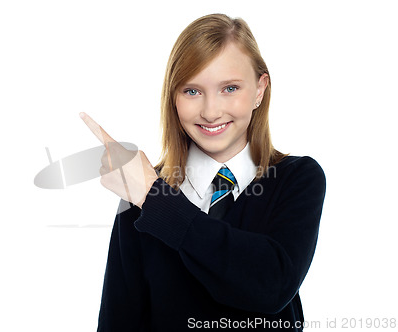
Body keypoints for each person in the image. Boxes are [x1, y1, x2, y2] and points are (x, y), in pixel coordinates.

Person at [80, 13, 326, 331]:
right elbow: (120, 319)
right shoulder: (140, 191)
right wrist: (150, 195)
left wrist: (156, 200)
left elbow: (270, 286)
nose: (210, 112)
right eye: (192, 91)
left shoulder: (296, 178)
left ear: (259, 90)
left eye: (230, 88)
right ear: (173, 96)